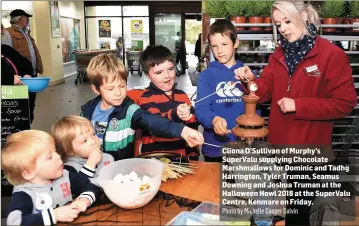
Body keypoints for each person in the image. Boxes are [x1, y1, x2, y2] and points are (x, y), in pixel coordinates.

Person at [234, 1, 357, 225]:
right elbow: (263, 90)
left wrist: (298, 105)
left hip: (309, 153)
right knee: (270, 208)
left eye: (287, 21)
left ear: (303, 16)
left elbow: (345, 103)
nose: (282, 28)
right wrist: (250, 81)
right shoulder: (279, 55)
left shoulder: (331, 55)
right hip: (278, 149)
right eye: (278, 23)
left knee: (297, 214)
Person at [81, 53, 204, 161]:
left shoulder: (130, 109)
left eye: (122, 86)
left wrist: (182, 130)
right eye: (111, 88)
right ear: (96, 89)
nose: (118, 93)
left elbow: (153, 121)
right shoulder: (87, 111)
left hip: (122, 172)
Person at [2, 130, 102, 225]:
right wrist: (54, 215)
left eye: (55, 151)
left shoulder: (65, 175)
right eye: (49, 157)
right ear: (28, 173)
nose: (58, 156)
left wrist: (84, 200)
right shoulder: (24, 193)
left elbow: (93, 186)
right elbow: (14, 222)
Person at [127, 45, 200, 160]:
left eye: (170, 69)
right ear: (148, 75)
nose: (167, 76)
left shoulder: (182, 95)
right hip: (153, 159)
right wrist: (176, 114)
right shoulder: (145, 98)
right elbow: (157, 123)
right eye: (159, 72)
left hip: (180, 158)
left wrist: (192, 154)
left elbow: (192, 126)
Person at [194, 19, 247, 162]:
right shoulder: (206, 75)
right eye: (214, 46)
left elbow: (256, 106)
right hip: (214, 148)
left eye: (224, 44)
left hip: (243, 147)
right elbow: (200, 108)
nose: (219, 51)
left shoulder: (247, 74)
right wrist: (214, 120)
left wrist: (250, 131)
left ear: (236, 43)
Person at [7, 9, 44, 124]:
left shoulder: (26, 32)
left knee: (31, 100)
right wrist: (11, 75)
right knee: (20, 102)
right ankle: (20, 125)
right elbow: (6, 56)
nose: (28, 20)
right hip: (19, 76)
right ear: (19, 19)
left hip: (31, 73)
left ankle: (28, 122)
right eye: (26, 18)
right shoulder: (8, 33)